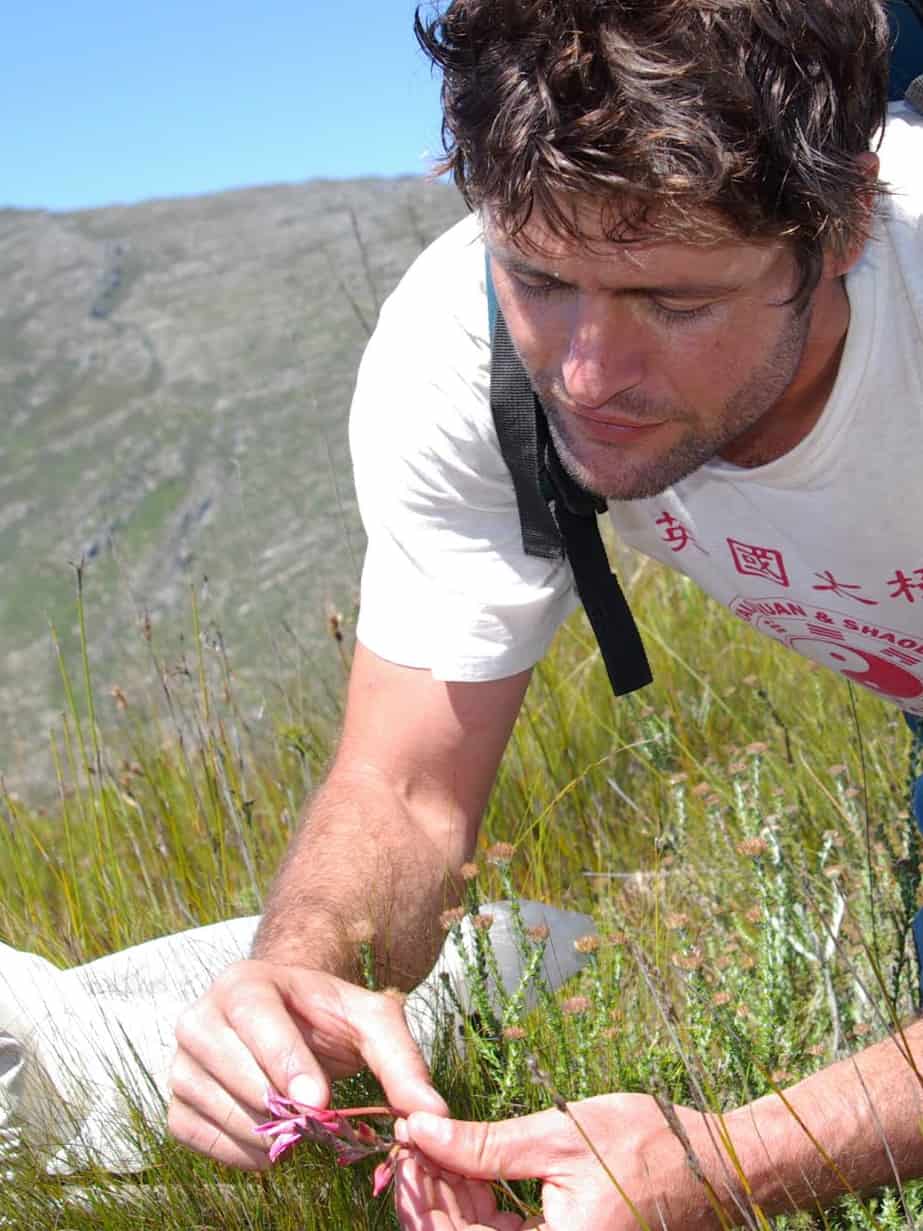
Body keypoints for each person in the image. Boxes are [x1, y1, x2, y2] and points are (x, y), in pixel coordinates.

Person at [167, 0, 923, 1225]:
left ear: (840, 231)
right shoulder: (455, 355)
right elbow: (405, 789)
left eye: (673, 303)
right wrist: (298, 978)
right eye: (536, 275)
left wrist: (735, 1161)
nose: (584, 374)